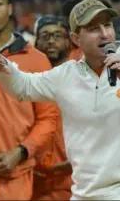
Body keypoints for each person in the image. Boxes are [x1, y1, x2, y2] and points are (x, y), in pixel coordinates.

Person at [0, 0, 120, 200]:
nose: (105, 34)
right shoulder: (66, 75)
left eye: (107, 25)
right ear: (75, 39)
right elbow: (24, 87)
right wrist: (4, 66)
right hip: (84, 195)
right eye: (93, 28)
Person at [0, 0, 57, 200]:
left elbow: (48, 119)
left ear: (10, 8)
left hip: (15, 175)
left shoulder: (36, 59)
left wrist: (21, 152)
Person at [32, 15, 72, 200]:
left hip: (73, 177)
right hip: (32, 176)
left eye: (58, 35)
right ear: (35, 41)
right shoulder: (25, 81)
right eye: (45, 36)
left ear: (69, 41)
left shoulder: (83, 79)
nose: (51, 41)